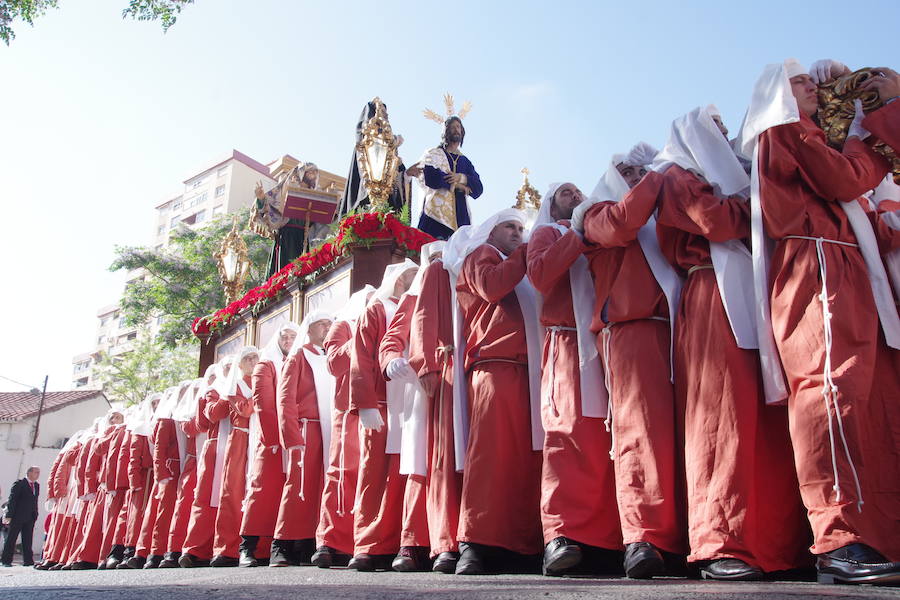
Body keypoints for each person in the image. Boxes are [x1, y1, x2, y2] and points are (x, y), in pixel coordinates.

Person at [736, 58, 900, 585]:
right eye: (800, 81)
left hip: (843, 260)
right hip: (817, 264)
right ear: (777, 96)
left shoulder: (808, 132)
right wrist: (866, 137)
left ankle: (871, 533)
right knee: (831, 390)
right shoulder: (782, 128)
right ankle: (840, 539)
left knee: (864, 399)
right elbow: (843, 179)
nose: (813, 87)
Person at [653, 106, 809, 579]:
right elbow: (716, 221)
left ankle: (778, 544)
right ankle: (720, 541)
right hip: (710, 296)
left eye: (725, 126)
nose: (722, 133)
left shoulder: (739, 175)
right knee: (721, 414)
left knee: (764, 415)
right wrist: (759, 202)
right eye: (713, 126)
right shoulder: (677, 176)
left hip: (753, 287)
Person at [573, 146, 687, 578]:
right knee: (639, 434)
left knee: (678, 432)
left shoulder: (653, 208)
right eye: (627, 171)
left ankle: (677, 537)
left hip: (675, 323)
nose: (637, 175)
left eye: (641, 170)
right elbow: (622, 225)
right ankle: (644, 536)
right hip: (630, 328)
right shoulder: (595, 212)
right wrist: (658, 175)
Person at [527, 183, 622, 576]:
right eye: (565, 192)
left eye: (578, 190)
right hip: (566, 338)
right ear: (551, 204)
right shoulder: (547, 233)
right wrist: (576, 236)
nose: (574, 194)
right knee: (565, 435)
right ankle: (560, 535)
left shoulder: (594, 226)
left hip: (601, 340)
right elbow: (540, 273)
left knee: (602, 438)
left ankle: (602, 539)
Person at [449, 208, 544, 574]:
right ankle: (476, 541)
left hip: (527, 369)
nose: (519, 233)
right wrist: (526, 252)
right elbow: (491, 286)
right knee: (490, 457)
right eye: (510, 226)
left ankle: (519, 544)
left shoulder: (514, 261)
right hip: (496, 365)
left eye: (522, 228)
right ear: (491, 231)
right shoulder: (480, 255)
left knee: (523, 459)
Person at [347, 259, 419, 571]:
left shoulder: (418, 304)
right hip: (381, 401)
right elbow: (361, 355)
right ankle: (367, 543)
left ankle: (399, 540)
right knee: (373, 475)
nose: (413, 278)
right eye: (408, 274)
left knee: (403, 474)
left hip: (411, 400)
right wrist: (365, 404)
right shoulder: (377, 308)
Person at [379, 244, 446, 572]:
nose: (439, 263)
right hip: (421, 388)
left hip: (455, 386)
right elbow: (392, 338)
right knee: (420, 461)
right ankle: (412, 541)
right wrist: (392, 360)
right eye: (432, 258)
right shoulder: (415, 293)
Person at [408, 236, 465, 574]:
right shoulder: (436, 271)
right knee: (444, 457)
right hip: (446, 368)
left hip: (467, 367)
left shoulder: (461, 268)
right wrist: (426, 363)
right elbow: (424, 317)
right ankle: (444, 541)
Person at [312, 285, 375, 569]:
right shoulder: (344, 325)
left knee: (370, 473)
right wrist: (362, 337)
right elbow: (335, 363)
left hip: (374, 405)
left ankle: (360, 538)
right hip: (347, 408)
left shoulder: (380, 321)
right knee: (341, 472)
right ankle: (329, 539)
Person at [271, 313, 334, 567]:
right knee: (297, 487)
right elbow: (285, 397)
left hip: (328, 427)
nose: (328, 327)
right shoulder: (298, 356)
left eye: (330, 323)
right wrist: (291, 434)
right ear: (308, 329)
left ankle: (308, 543)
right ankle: (281, 544)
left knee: (320, 487)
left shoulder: (328, 355)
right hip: (306, 428)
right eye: (322, 324)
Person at [239, 322, 299, 567]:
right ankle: (247, 547)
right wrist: (275, 437)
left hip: (293, 436)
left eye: (293, 337)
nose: (288, 341)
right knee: (262, 491)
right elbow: (263, 402)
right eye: (285, 337)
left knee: (290, 492)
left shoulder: (298, 360)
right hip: (272, 438)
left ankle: (281, 546)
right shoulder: (267, 364)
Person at [210, 347, 259, 567]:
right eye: (247, 358)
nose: (252, 361)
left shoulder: (265, 379)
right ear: (239, 364)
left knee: (258, 491)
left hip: (260, 438)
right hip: (241, 440)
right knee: (234, 492)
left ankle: (259, 546)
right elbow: (245, 410)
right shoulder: (234, 386)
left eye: (255, 357)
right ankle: (227, 548)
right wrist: (261, 392)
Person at [179, 360, 230, 568]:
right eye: (225, 368)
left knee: (231, 500)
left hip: (239, 444)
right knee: (205, 499)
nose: (229, 370)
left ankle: (225, 547)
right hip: (216, 447)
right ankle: (194, 549)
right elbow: (207, 419)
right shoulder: (214, 392)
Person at [337, 100, 412, 218]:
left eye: (386, 113)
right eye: (382, 111)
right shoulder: (367, 142)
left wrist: (405, 173)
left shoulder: (390, 145)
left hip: (387, 201)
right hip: (367, 197)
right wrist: (394, 140)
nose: (386, 115)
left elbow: (395, 172)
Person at [159, 380, 203, 568]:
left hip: (207, 459)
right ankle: (174, 549)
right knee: (184, 506)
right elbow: (194, 428)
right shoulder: (183, 414)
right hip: (192, 462)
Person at [417, 115, 484, 240]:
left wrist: (461, 177)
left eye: (458, 127)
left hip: (461, 217)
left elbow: (478, 188)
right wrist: (458, 186)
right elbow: (431, 177)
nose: (456, 130)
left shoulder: (465, 161)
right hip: (435, 216)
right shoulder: (433, 153)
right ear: (445, 132)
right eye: (452, 127)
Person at [253, 162, 321, 278]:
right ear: (302, 173)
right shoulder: (287, 188)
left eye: (315, 172)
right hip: (287, 236)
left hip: (303, 237)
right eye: (311, 171)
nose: (313, 175)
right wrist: (261, 199)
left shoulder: (315, 194)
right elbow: (269, 206)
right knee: (286, 271)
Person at [1, 466, 40, 567]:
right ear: (29, 473)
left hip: (30, 517)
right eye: (36, 472)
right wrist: (9, 515)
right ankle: (6, 561)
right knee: (11, 539)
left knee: (27, 539)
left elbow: (34, 501)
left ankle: (28, 561)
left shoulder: (36, 485)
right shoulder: (19, 484)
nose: (38, 474)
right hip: (17, 517)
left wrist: (35, 514)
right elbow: (12, 500)